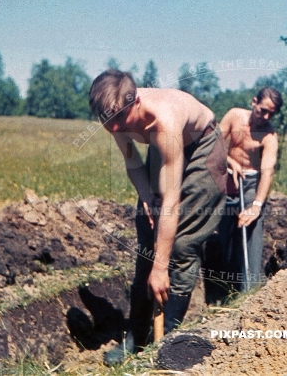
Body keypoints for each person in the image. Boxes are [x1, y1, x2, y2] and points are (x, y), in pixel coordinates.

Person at [88, 69, 227, 364]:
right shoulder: (115, 115)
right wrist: (146, 197)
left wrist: (161, 269)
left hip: (202, 147)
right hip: (164, 149)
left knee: (180, 245)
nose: (114, 129)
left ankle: (165, 345)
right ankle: (136, 338)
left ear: (136, 103)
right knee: (147, 237)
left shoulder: (164, 120)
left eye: (119, 121)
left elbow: (172, 202)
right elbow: (133, 163)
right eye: (106, 122)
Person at [211, 87, 282, 294]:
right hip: (226, 181)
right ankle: (227, 289)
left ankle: (250, 293)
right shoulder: (234, 116)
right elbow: (213, 144)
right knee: (226, 238)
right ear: (254, 102)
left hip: (251, 184)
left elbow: (267, 172)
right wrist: (229, 160)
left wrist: (257, 206)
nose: (265, 117)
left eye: (271, 113)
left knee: (250, 231)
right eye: (263, 110)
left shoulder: (270, 135)